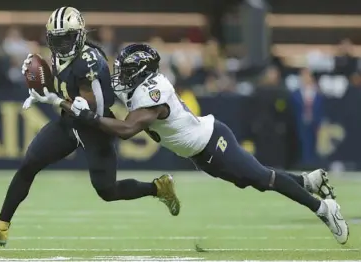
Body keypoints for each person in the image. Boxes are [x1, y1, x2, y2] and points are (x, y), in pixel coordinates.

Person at [64, 43, 347, 244]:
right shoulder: (140, 86)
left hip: (213, 143)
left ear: (141, 73)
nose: (120, 76)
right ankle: (307, 181)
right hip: (202, 152)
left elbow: (126, 130)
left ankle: (323, 209)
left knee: (265, 179)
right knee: (251, 180)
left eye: (126, 71)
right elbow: (105, 86)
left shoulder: (152, 94)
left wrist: (87, 116)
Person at [0, 8, 180, 247]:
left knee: (107, 191)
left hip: (96, 128)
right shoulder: (58, 55)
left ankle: (158, 188)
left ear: (79, 35)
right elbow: (67, 90)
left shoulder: (90, 62)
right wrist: (43, 84)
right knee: (29, 164)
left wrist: (55, 100)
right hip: (70, 123)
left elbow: (94, 112)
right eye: (57, 39)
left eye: (67, 37)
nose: (63, 44)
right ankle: (0, 227)